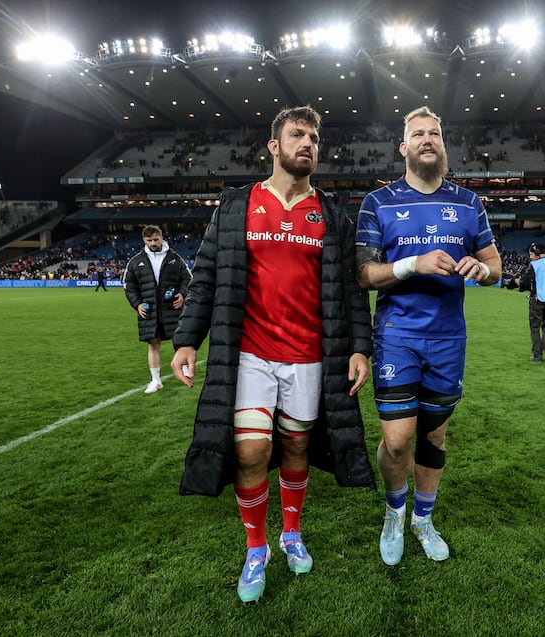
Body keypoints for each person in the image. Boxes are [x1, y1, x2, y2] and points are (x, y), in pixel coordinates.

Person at [170, 106, 374, 604]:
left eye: (315, 137)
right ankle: (256, 547)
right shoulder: (237, 205)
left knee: (298, 449)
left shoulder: (331, 215)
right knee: (252, 450)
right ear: (274, 146)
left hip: (309, 356)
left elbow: (350, 292)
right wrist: (185, 339)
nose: (308, 142)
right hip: (250, 355)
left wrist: (361, 349)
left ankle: (291, 532)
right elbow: (208, 277)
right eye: (297, 134)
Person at [355, 105, 502, 566]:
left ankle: (423, 518)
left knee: (434, 438)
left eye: (434, 134)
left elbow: (496, 266)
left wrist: (482, 268)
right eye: (417, 133)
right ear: (403, 147)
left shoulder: (468, 202)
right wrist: (410, 264)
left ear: (442, 144)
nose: (426, 139)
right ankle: (394, 512)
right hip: (397, 336)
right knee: (398, 440)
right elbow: (363, 274)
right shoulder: (378, 203)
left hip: (448, 339)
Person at [123, 225, 192, 393]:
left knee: (179, 340)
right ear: (144, 240)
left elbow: (187, 279)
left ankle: (184, 371)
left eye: (156, 239)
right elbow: (128, 286)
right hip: (149, 310)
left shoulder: (174, 258)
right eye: (149, 240)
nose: (153, 243)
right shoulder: (135, 261)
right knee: (153, 344)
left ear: (161, 237)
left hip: (172, 308)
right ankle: (156, 380)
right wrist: (137, 304)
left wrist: (182, 295)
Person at [504, 242, 545, 362]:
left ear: (538, 254)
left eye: (531, 254)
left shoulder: (534, 265)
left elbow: (525, 282)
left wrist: (513, 283)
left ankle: (537, 355)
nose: (530, 257)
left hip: (538, 299)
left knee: (534, 327)